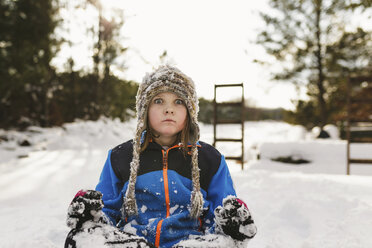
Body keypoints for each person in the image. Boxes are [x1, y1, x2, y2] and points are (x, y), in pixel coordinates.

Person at [65, 65, 257, 248]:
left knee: (229, 243)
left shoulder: (210, 159)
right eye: (158, 101)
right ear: (144, 110)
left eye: (178, 101)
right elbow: (108, 211)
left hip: (190, 243)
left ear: (190, 111)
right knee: (81, 238)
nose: (169, 109)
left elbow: (218, 215)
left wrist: (232, 222)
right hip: (134, 242)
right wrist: (92, 217)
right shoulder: (121, 157)